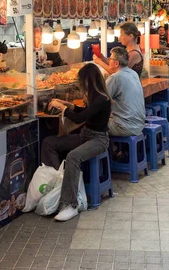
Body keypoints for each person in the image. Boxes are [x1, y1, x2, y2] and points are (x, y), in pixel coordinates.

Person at [41, 64, 111, 221]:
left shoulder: (102, 99)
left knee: (73, 156)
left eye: (82, 81)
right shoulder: (94, 97)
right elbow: (84, 112)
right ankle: (58, 183)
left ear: (88, 81)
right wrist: (69, 105)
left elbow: (80, 118)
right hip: (85, 136)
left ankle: (70, 204)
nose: (80, 84)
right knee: (49, 143)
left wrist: (63, 109)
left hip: (99, 139)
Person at [105, 47, 146, 136]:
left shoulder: (115, 77)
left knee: (93, 125)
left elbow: (102, 98)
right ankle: (116, 149)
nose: (108, 60)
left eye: (110, 58)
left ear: (116, 63)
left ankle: (108, 149)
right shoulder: (133, 73)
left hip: (123, 127)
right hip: (139, 125)